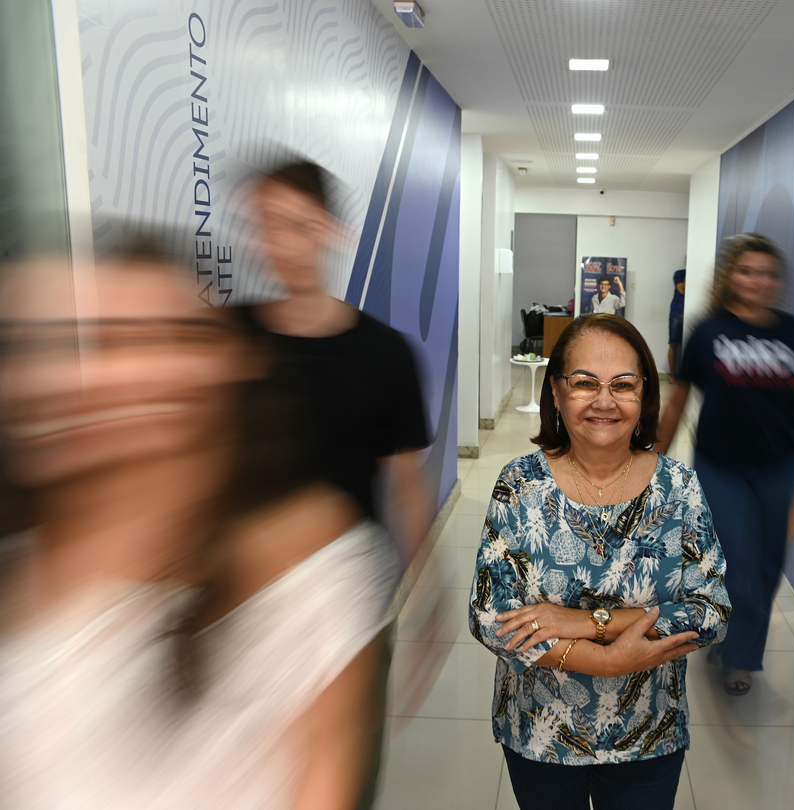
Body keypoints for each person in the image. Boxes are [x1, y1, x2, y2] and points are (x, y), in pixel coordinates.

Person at [0, 245, 397, 809]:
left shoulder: (305, 570)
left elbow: (322, 772)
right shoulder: (25, 566)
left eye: (159, 338)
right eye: (90, 343)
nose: (123, 373)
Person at [468, 314, 729, 810]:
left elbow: (711, 611)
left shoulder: (679, 489)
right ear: (556, 392)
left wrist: (583, 623)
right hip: (539, 734)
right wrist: (609, 659)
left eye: (623, 385)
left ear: (644, 394)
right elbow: (489, 618)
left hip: (649, 730)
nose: (605, 401)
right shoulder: (520, 486)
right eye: (585, 382)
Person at [242, 159, 433, 808]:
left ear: (328, 230)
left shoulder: (383, 353)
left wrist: (425, 590)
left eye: (295, 225)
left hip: (349, 601)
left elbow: (404, 488)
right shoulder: (229, 340)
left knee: (341, 780)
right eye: (264, 225)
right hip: (244, 600)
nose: (278, 243)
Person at [656, 233, 794, 696]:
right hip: (720, 466)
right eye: (747, 271)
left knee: (767, 565)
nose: (757, 281)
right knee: (735, 563)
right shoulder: (708, 332)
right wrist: (652, 462)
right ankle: (726, 632)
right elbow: (678, 401)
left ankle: (739, 654)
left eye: (767, 273)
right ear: (731, 276)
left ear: (778, 281)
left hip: (778, 465)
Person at [668, 267, 685, 379]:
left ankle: (684, 378)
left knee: (687, 346)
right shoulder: (679, 273)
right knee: (673, 344)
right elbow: (681, 289)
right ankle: (673, 376)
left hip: (691, 312)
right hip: (677, 313)